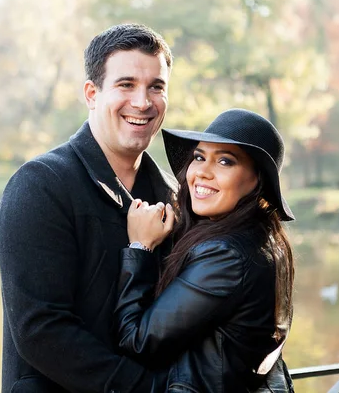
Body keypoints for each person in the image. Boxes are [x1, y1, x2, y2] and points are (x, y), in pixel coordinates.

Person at [0, 24, 177, 393]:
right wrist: (151, 389)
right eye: (126, 85)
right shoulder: (40, 186)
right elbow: (41, 331)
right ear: (92, 94)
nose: (142, 102)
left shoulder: (173, 197)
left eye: (156, 87)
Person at [115, 108, 296, 392]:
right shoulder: (265, 239)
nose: (202, 172)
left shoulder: (227, 256)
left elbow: (138, 340)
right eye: (199, 157)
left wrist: (140, 246)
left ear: (256, 181)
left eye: (225, 161)